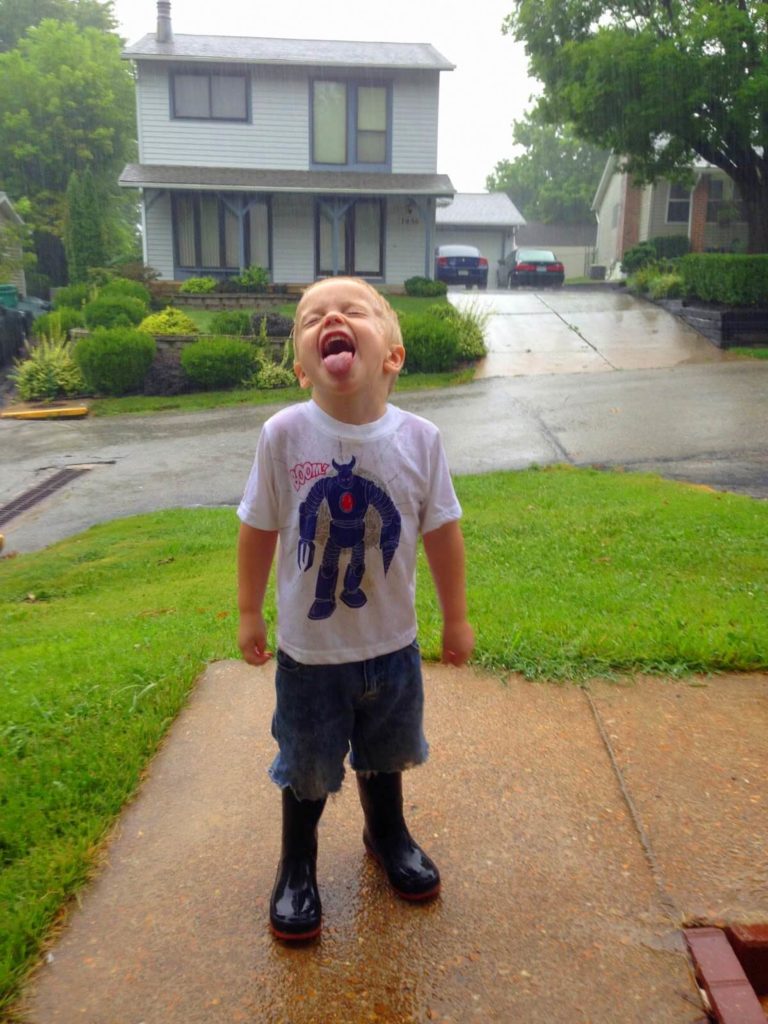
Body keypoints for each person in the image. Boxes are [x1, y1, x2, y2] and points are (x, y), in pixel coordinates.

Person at [237, 276, 473, 941]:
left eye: (352, 311)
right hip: (311, 657)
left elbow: (441, 532)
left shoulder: (421, 439)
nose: (330, 318)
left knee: (386, 751)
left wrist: (456, 617)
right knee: (308, 764)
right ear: (302, 366)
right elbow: (257, 527)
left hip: (392, 644)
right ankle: (297, 863)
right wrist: (249, 612)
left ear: (392, 355)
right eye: (313, 317)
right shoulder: (284, 435)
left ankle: (387, 833)